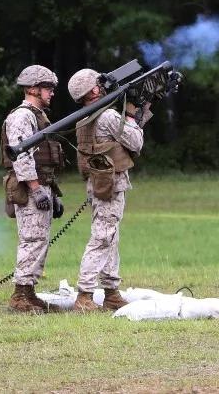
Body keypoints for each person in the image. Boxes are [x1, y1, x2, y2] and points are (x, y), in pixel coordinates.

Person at [66, 68, 149, 312]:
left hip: (99, 184)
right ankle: (85, 294)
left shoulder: (84, 118)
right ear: (93, 90)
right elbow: (136, 142)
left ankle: (111, 292)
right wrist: (133, 116)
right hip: (110, 185)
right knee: (102, 237)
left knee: (109, 236)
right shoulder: (107, 117)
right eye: (98, 84)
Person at [0, 64, 64, 313]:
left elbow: (42, 157)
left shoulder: (37, 115)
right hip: (28, 189)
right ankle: (20, 296)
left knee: (39, 239)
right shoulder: (22, 116)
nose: (52, 93)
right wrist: (36, 189)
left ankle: (29, 292)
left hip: (40, 185)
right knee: (32, 239)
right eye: (48, 88)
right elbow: (21, 155)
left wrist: (51, 192)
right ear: (33, 89)